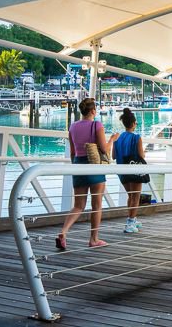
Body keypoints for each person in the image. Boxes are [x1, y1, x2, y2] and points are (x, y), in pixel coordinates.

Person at [56, 98, 109, 250]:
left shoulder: (73, 126)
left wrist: (75, 167)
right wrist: (112, 140)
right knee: (96, 204)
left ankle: (64, 232)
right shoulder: (96, 125)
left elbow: (72, 152)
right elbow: (104, 149)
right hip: (93, 165)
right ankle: (94, 239)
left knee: (78, 205)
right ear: (93, 111)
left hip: (78, 164)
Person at [109, 108, 147, 234]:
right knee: (135, 196)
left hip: (122, 171)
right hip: (134, 170)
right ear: (134, 123)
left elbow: (113, 156)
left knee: (130, 195)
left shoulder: (118, 139)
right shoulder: (137, 138)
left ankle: (132, 218)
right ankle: (130, 222)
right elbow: (141, 156)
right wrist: (143, 152)